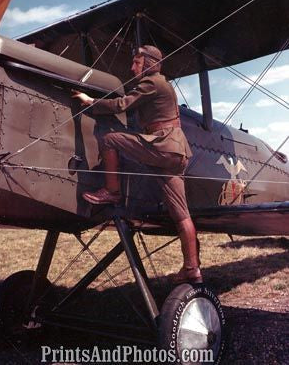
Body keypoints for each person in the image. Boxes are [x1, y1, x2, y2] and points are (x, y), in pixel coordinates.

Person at [72, 45, 202, 284]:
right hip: (175, 151)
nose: (132, 67)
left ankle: (112, 191)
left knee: (110, 139)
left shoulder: (152, 82)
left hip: (162, 145)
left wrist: (91, 101)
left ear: (150, 63)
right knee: (182, 215)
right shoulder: (163, 84)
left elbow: (122, 105)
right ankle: (192, 269)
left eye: (137, 62)